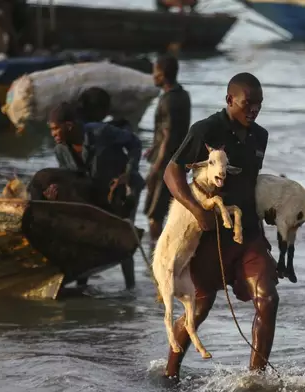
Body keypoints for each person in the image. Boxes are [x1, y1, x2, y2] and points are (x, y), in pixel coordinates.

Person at [162, 72, 279, 380]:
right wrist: (197, 210)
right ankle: (169, 374)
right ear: (230, 100)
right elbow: (171, 173)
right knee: (199, 308)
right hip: (210, 236)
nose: (253, 110)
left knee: (268, 299)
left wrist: (264, 235)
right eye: (247, 103)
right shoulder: (206, 129)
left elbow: (250, 186)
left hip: (247, 234)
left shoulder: (260, 137)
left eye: (258, 104)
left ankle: (256, 378)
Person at [46, 90, 145, 290]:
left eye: (56, 129)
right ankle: (82, 286)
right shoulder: (60, 150)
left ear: (69, 126)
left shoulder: (101, 132)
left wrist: (129, 172)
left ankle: (130, 290)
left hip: (123, 191)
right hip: (94, 192)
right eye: (51, 130)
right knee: (86, 238)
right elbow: (71, 178)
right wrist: (57, 190)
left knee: (123, 239)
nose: (53, 134)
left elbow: (134, 143)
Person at [144, 53, 191, 257]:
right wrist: (153, 148)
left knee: (154, 215)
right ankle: (173, 251)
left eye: (155, 72)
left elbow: (169, 136)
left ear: (162, 75)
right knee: (171, 212)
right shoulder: (183, 95)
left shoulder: (169, 101)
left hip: (167, 164)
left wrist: (156, 168)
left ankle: (159, 255)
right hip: (178, 160)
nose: (152, 76)